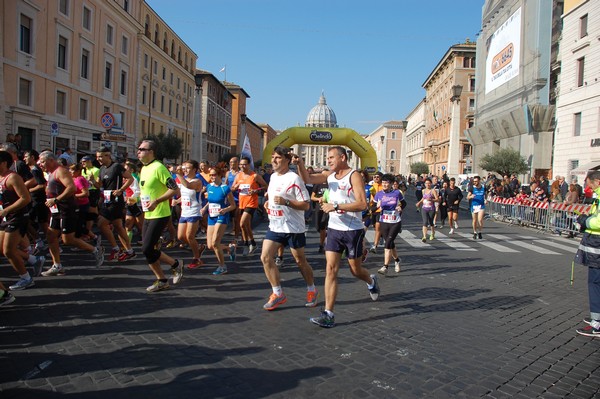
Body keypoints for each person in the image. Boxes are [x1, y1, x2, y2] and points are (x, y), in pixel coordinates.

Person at [297, 146, 379, 328]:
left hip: (353, 231)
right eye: (328, 158)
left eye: (332, 157)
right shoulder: (329, 175)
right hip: (334, 229)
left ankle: (371, 281)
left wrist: (335, 206)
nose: (329, 161)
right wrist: (300, 163)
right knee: (331, 270)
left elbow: (362, 204)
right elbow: (308, 178)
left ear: (342, 157)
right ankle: (329, 314)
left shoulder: (354, 175)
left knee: (355, 270)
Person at [260, 146, 317, 311]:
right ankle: (277, 293)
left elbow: (306, 205)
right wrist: (268, 204)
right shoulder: (272, 177)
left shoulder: (294, 179)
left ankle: (312, 289)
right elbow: (273, 197)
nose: (274, 160)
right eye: (273, 157)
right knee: (265, 257)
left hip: (293, 228)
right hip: (275, 226)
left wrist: (286, 202)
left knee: (300, 261)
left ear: (287, 160)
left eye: (278, 157)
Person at [37, 151, 105, 276]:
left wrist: (56, 199)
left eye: (42, 161)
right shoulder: (51, 173)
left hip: (66, 209)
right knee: (51, 236)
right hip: (56, 210)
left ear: (51, 160)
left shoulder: (60, 171)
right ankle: (57, 265)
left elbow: (71, 188)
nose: (39, 164)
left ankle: (96, 250)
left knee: (68, 240)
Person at [136, 140, 183, 292]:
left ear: (151, 152)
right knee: (147, 250)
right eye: (138, 149)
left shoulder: (159, 168)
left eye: (142, 149)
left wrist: (157, 201)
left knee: (146, 248)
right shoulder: (144, 168)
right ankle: (162, 280)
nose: (138, 152)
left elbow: (174, 189)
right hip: (148, 214)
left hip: (160, 214)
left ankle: (175, 264)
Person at [0, 150, 36, 290]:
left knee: (9, 251)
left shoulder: (13, 177)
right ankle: (33, 260)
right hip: (5, 218)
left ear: (3, 163)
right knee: (3, 250)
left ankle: (26, 278)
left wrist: (6, 210)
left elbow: (25, 198)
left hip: (17, 217)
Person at [95, 147, 135, 262]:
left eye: (101, 156)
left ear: (108, 155)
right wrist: (93, 181)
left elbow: (130, 178)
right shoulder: (101, 169)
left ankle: (116, 248)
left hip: (116, 201)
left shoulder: (116, 166)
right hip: (107, 200)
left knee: (101, 223)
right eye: (97, 157)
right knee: (118, 226)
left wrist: (121, 190)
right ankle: (129, 251)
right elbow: (99, 185)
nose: (99, 159)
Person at [574, 171, 600, 337]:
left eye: (589, 183)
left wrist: (584, 221)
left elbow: (598, 221)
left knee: (595, 282)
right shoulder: (597, 196)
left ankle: (596, 323)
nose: (588, 186)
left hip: (597, 244)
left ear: (597, 181)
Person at [202, 166, 237, 275]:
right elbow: (211, 201)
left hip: (221, 217)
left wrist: (225, 209)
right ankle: (229, 248)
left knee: (215, 243)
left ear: (219, 175)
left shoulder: (225, 188)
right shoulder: (209, 187)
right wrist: (204, 208)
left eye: (214, 175)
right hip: (211, 216)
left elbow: (233, 205)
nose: (212, 177)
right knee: (210, 246)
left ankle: (222, 266)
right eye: (210, 175)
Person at [232, 157, 268, 255]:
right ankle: (251, 243)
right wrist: (234, 187)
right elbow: (233, 188)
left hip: (251, 202)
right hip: (242, 203)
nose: (242, 166)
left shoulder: (255, 176)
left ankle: (247, 244)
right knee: (245, 226)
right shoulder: (238, 176)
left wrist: (256, 190)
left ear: (249, 165)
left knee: (242, 223)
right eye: (241, 164)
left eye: (244, 164)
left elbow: (265, 186)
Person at [174, 160, 206, 269]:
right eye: (184, 168)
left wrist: (177, 173)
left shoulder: (197, 181)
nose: (185, 170)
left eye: (187, 168)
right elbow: (184, 195)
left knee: (190, 236)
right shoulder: (184, 180)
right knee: (181, 237)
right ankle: (199, 247)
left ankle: (197, 259)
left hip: (194, 211)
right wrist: (177, 201)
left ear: (194, 170)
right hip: (184, 211)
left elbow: (188, 186)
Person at [374, 174, 406, 275]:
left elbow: (404, 203)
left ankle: (385, 266)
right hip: (384, 221)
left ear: (391, 184)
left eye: (387, 183)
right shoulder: (378, 194)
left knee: (387, 243)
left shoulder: (397, 193)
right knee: (390, 243)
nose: (385, 184)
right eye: (383, 183)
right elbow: (373, 208)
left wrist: (401, 208)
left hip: (395, 221)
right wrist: (377, 207)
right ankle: (397, 260)